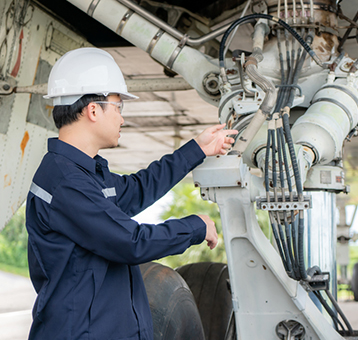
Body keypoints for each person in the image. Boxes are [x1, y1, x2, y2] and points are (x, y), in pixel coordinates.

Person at [25, 47, 237, 340]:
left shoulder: (84, 175)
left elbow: (137, 189)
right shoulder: (66, 183)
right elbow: (131, 242)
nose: (122, 119)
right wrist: (195, 226)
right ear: (94, 110)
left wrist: (197, 150)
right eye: (118, 106)